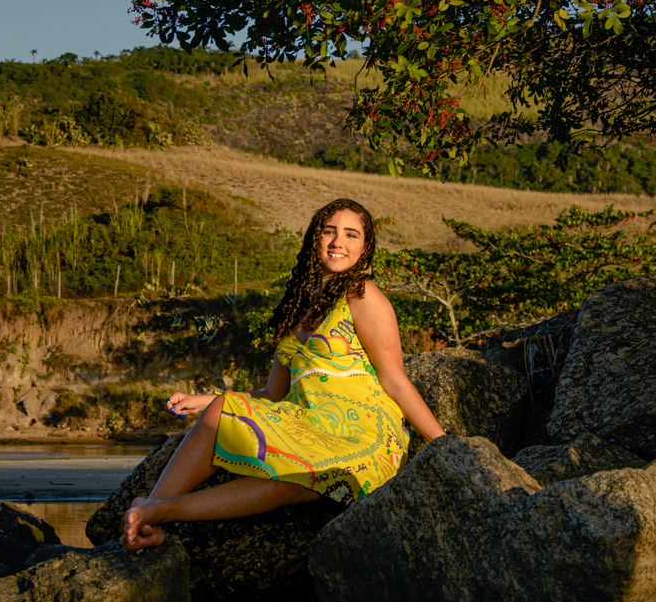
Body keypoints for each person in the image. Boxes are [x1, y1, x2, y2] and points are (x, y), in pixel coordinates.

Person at [122, 198, 446, 550]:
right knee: (224, 411)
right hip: (309, 426)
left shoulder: (363, 297)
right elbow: (272, 395)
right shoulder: (300, 306)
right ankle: (148, 515)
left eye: (351, 235)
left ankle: (161, 512)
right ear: (314, 239)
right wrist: (203, 401)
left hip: (361, 435)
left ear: (365, 247)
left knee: (295, 478)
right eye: (329, 232)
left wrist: (445, 445)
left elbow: (394, 379)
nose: (338, 242)